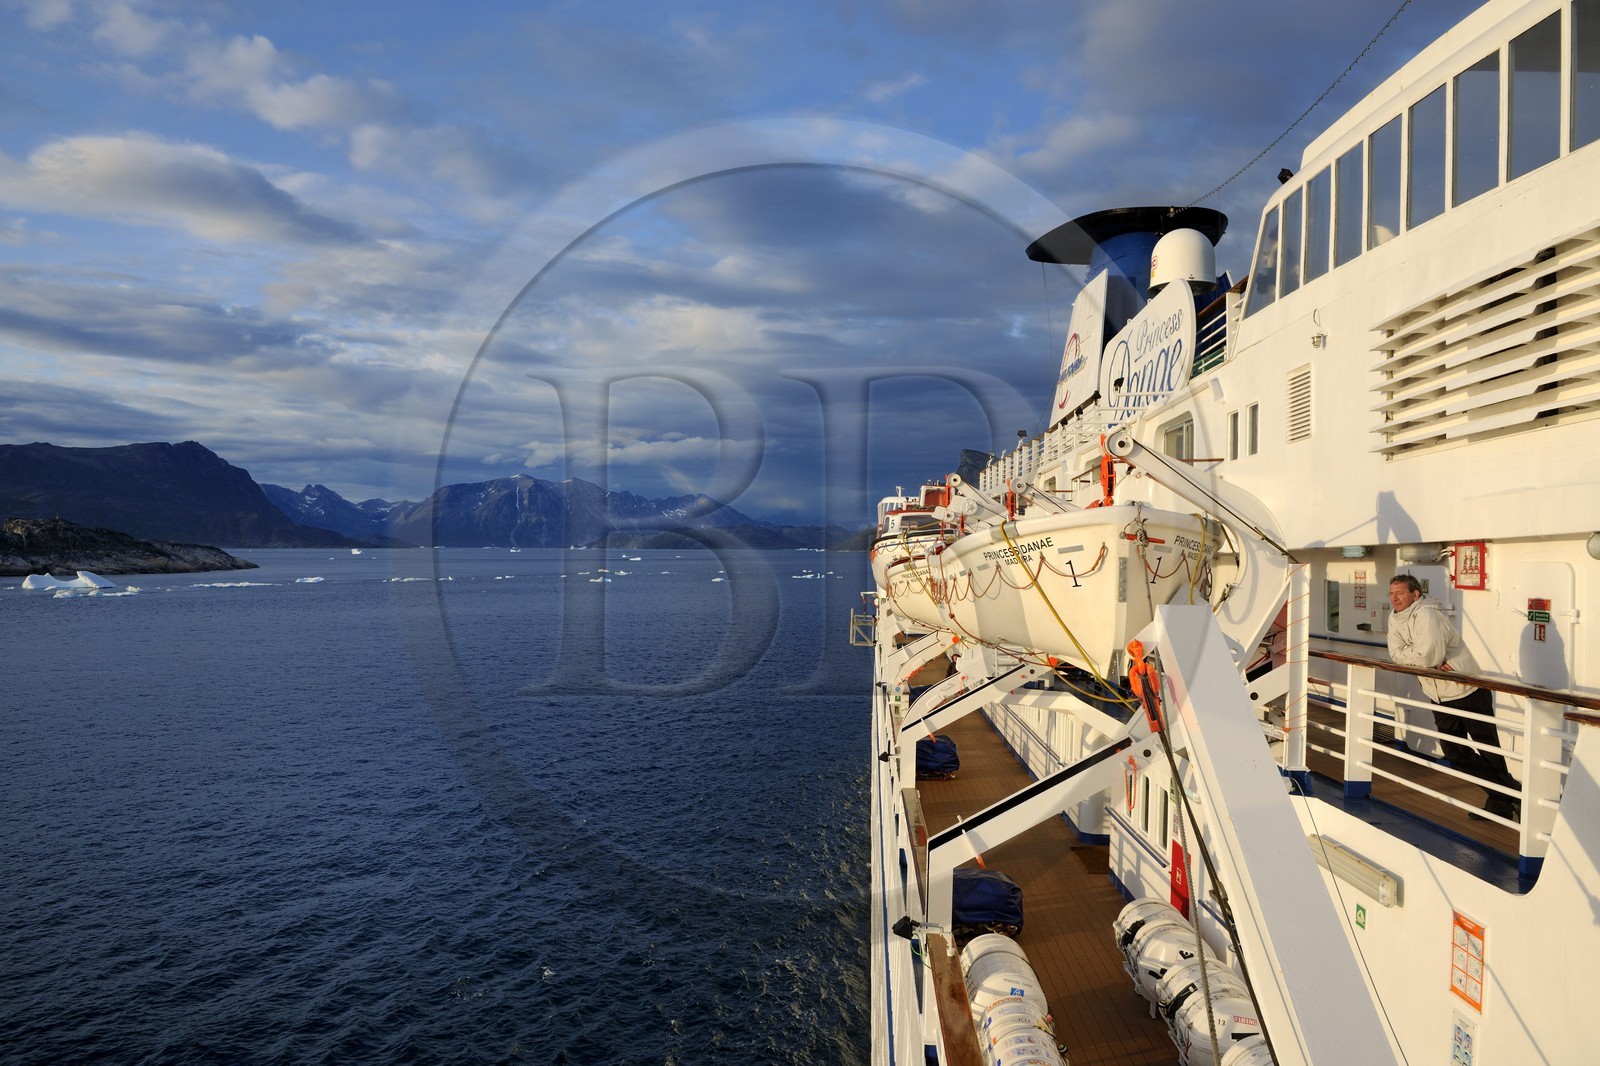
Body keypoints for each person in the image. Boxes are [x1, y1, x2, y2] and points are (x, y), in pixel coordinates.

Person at [1386, 575, 1520, 820]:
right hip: (1439, 693)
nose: (1394, 598)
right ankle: (1512, 793)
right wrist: (1418, 657)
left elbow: (1428, 659)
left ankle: (1501, 803)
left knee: (1488, 749)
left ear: (1415, 595)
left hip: (1468, 688)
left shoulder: (1427, 615)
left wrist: (1417, 656)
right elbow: (1396, 654)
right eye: (1391, 594)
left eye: (1400, 593)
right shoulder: (1395, 618)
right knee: (1454, 752)